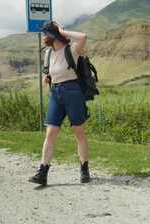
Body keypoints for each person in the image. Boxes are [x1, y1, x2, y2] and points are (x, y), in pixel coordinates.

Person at [28, 21, 90, 186]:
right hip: (55, 93)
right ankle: (43, 172)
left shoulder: (72, 50)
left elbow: (83, 37)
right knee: (50, 133)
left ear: (54, 35)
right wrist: (46, 78)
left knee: (78, 132)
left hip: (73, 92)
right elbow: (46, 74)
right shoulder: (48, 53)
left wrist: (63, 31)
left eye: (46, 34)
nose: (44, 38)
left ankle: (84, 168)